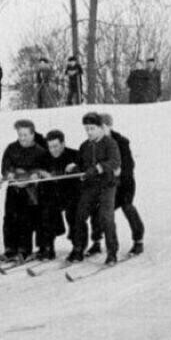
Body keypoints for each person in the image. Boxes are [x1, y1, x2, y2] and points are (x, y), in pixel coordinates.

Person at [65, 112, 121, 265]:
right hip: (90, 186)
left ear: (101, 128)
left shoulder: (110, 143)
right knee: (80, 214)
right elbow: (82, 165)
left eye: (92, 128)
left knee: (106, 217)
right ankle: (78, 248)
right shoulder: (84, 146)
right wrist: (76, 169)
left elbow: (115, 162)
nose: (89, 132)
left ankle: (112, 252)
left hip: (107, 185)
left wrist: (99, 168)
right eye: (87, 129)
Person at [86, 114, 145, 256]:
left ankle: (138, 240)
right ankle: (97, 241)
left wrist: (117, 171)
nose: (101, 130)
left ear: (109, 126)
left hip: (124, 184)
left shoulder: (121, 142)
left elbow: (129, 165)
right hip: (107, 184)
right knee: (97, 209)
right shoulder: (95, 142)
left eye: (104, 127)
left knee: (127, 206)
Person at [0, 120, 48, 261]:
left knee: (26, 219)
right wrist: (9, 174)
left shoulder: (40, 151)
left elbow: (42, 169)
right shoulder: (11, 148)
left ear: (33, 134)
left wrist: (35, 175)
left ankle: (24, 249)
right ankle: (10, 248)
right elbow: (5, 167)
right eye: (20, 134)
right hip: (14, 189)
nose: (22, 138)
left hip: (30, 192)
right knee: (10, 217)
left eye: (25, 135)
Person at [36, 130, 79, 260]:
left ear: (63, 144)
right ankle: (48, 247)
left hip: (71, 194)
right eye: (50, 147)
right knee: (45, 211)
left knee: (73, 214)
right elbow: (38, 168)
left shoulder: (74, 154)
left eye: (56, 146)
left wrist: (75, 167)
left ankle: (78, 247)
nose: (53, 150)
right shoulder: (44, 157)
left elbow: (83, 167)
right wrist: (43, 173)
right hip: (53, 195)